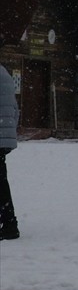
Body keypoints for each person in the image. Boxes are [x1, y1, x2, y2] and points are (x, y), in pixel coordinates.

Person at [0, 63, 19, 240]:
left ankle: (9, 224)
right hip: (4, 134)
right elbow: (15, 109)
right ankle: (9, 222)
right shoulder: (4, 74)